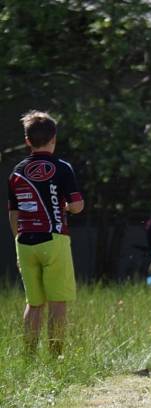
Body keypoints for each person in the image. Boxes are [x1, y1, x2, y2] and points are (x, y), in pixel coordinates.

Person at [7, 110, 84, 354]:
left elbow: (13, 213)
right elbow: (77, 205)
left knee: (34, 303)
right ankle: (56, 355)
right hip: (54, 239)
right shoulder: (62, 167)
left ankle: (28, 355)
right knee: (57, 302)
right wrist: (65, 207)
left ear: (27, 140)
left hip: (24, 242)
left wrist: (17, 242)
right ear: (54, 138)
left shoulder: (16, 171)